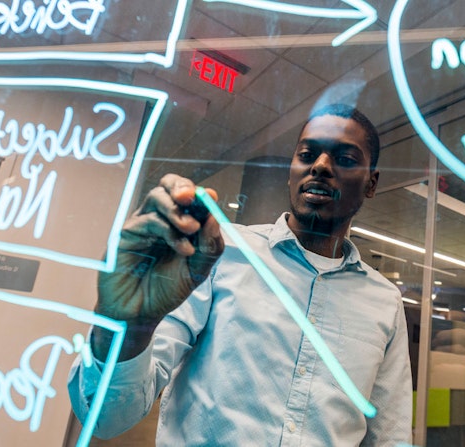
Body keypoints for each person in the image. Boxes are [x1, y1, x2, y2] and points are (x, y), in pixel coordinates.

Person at [68, 104, 413, 445]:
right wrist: (127, 328)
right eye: (307, 155)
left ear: (371, 183)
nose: (320, 166)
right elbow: (107, 418)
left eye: (345, 159)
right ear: (291, 171)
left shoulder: (384, 302)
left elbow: (390, 438)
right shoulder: (215, 254)